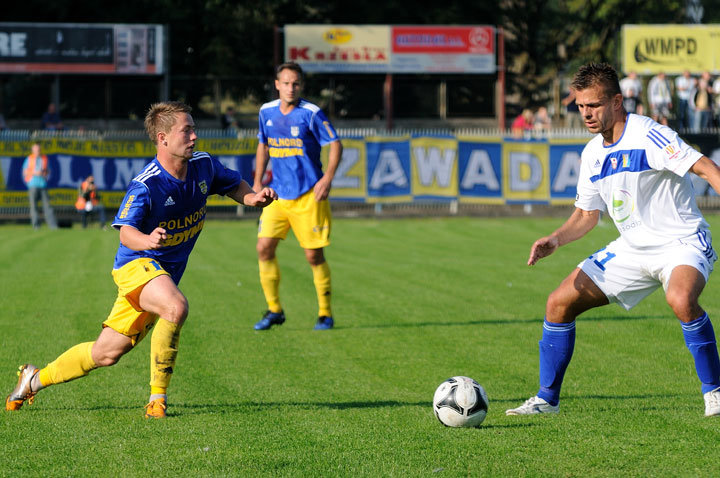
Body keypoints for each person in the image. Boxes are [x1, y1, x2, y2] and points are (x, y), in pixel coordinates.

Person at [6, 101, 277, 418]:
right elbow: (125, 232)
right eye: (186, 130)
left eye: (194, 129)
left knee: (105, 353)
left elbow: (234, 186)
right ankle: (157, 400)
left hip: (160, 275)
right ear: (162, 138)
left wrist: (254, 197)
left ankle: (32, 380)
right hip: (135, 266)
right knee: (176, 307)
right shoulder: (147, 184)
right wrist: (147, 240)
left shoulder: (204, 165)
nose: (194, 136)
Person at [505, 63, 720, 418]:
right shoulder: (592, 153)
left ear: (617, 101)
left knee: (680, 299)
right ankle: (547, 400)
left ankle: (714, 391)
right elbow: (587, 215)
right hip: (632, 249)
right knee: (558, 303)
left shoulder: (648, 134)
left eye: (595, 105)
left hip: (681, 242)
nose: (587, 114)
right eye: (581, 106)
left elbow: (706, 168)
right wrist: (556, 239)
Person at [252, 62, 343, 331]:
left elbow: (335, 143)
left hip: (308, 196)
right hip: (277, 195)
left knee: (313, 256)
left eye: (296, 84)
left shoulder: (311, 113)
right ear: (277, 84)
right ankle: (274, 310)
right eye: (286, 83)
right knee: (263, 248)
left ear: (300, 86)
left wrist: (327, 178)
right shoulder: (266, 111)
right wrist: (257, 181)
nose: (291, 88)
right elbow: (263, 145)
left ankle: (325, 314)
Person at [22, 142, 57, 229]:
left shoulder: (44, 159)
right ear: (33, 150)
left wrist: (45, 172)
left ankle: (53, 226)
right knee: (33, 207)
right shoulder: (29, 159)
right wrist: (35, 172)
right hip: (32, 185)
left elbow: (49, 170)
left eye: (39, 149)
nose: (38, 151)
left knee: (47, 206)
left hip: (43, 185)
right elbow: (25, 172)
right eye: (36, 149)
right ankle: (36, 226)